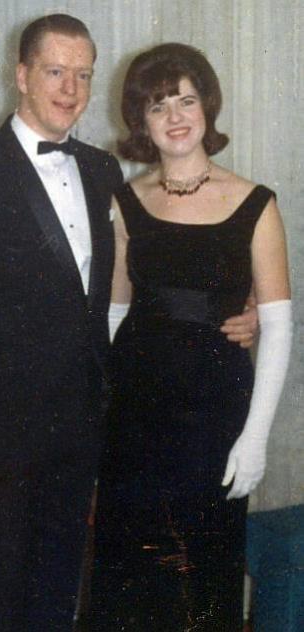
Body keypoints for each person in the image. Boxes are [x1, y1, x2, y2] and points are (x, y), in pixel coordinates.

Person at [0, 16, 257, 631]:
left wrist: (235, 309)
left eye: (83, 75)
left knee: (59, 592)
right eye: (55, 71)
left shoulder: (104, 172)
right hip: (0, 439)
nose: (70, 89)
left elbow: (145, 283)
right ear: (22, 76)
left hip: (83, 433)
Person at [90, 43, 292, 631]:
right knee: (130, 571)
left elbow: (279, 327)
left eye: (185, 100)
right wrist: (99, 413)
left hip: (214, 415)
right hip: (134, 414)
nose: (175, 116)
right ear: (141, 120)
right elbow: (112, 316)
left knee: (202, 574)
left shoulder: (256, 203)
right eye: (158, 106)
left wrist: (255, 439)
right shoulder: (126, 202)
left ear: (207, 106)